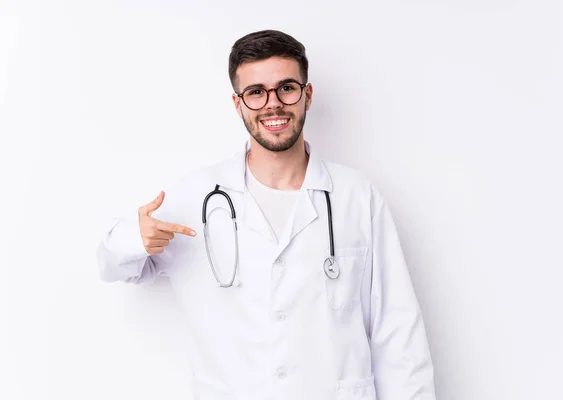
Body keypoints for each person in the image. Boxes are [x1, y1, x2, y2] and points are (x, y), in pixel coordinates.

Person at [96, 29, 437, 400]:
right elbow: (113, 266)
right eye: (256, 92)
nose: (273, 104)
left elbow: (398, 332)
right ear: (238, 103)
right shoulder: (200, 197)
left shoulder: (356, 197)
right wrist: (135, 237)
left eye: (286, 88)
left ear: (307, 95)